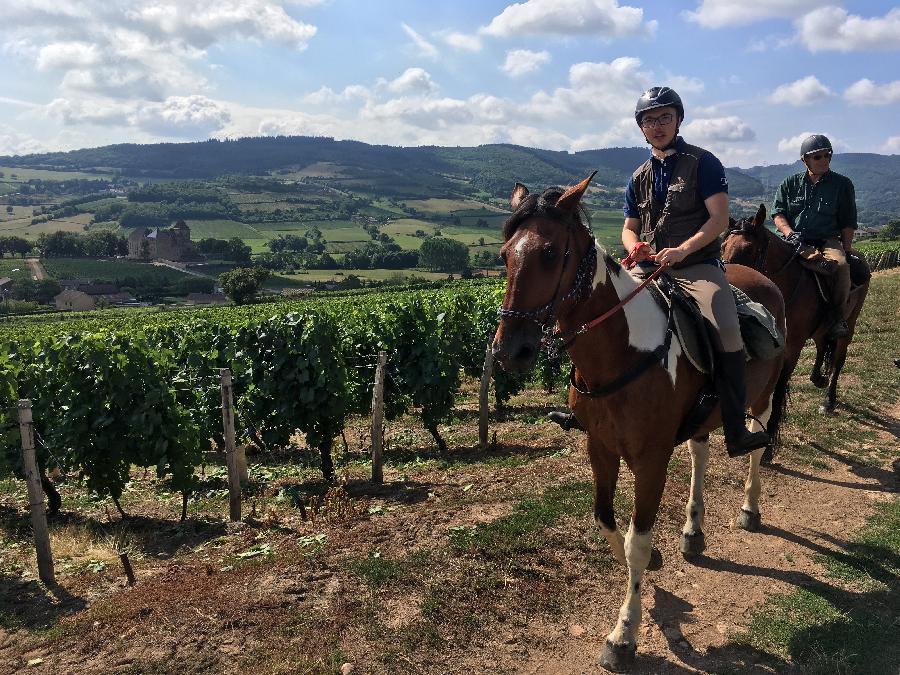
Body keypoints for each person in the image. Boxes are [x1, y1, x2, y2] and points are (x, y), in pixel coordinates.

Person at [549, 86, 769, 457]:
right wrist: (634, 245)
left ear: (678, 119)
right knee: (592, 312)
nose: (658, 125)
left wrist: (683, 249)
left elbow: (718, 220)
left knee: (725, 324)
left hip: (697, 267)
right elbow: (629, 225)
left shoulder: (704, 163)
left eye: (665, 117)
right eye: (649, 119)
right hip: (648, 267)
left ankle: (734, 425)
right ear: (641, 127)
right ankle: (584, 406)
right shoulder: (638, 176)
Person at [771, 134, 856, 339]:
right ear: (804, 160)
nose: (824, 160)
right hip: (793, 239)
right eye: (817, 157)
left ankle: (836, 317)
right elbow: (778, 213)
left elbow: (847, 221)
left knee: (841, 266)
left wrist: (846, 248)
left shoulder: (842, 185)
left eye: (827, 155)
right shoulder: (789, 184)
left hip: (826, 240)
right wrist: (789, 233)